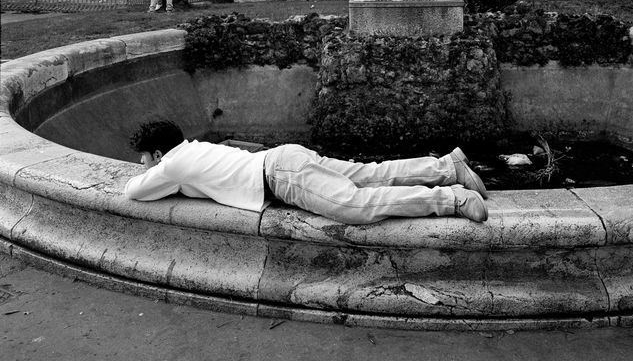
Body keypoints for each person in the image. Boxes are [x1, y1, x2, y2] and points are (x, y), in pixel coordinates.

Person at [124, 120, 489, 224]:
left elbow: (134, 191)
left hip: (280, 176)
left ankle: (451, 199)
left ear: (158, 153)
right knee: (368, 174)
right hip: (283, 159)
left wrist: (154, 174)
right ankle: (447, 166)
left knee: (355, 207)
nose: (143, 164)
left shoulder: (172, 164)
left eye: (144, 158)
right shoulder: (191, 152)